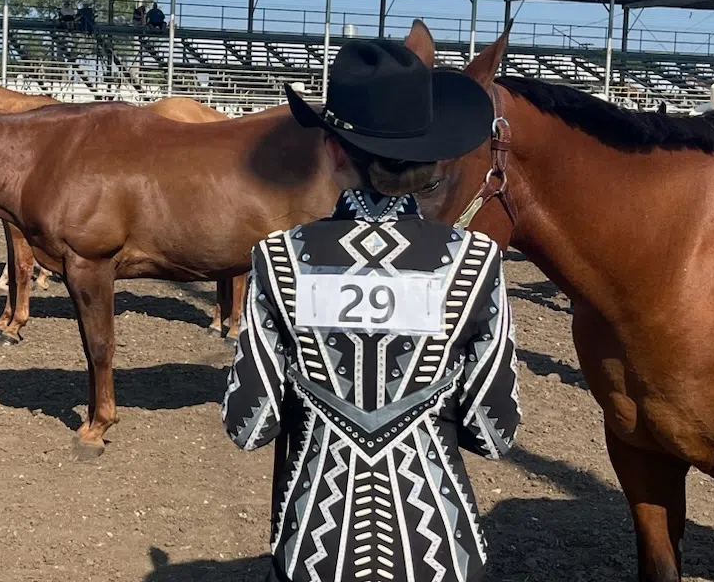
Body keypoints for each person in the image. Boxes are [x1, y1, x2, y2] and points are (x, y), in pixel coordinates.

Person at [222, 39, 520, 582]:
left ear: (335, 152)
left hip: (314, 550)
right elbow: (494, 431)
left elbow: (250, 422)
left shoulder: (279, 260)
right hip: (439, 551)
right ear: (433, 160)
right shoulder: (475, 262)